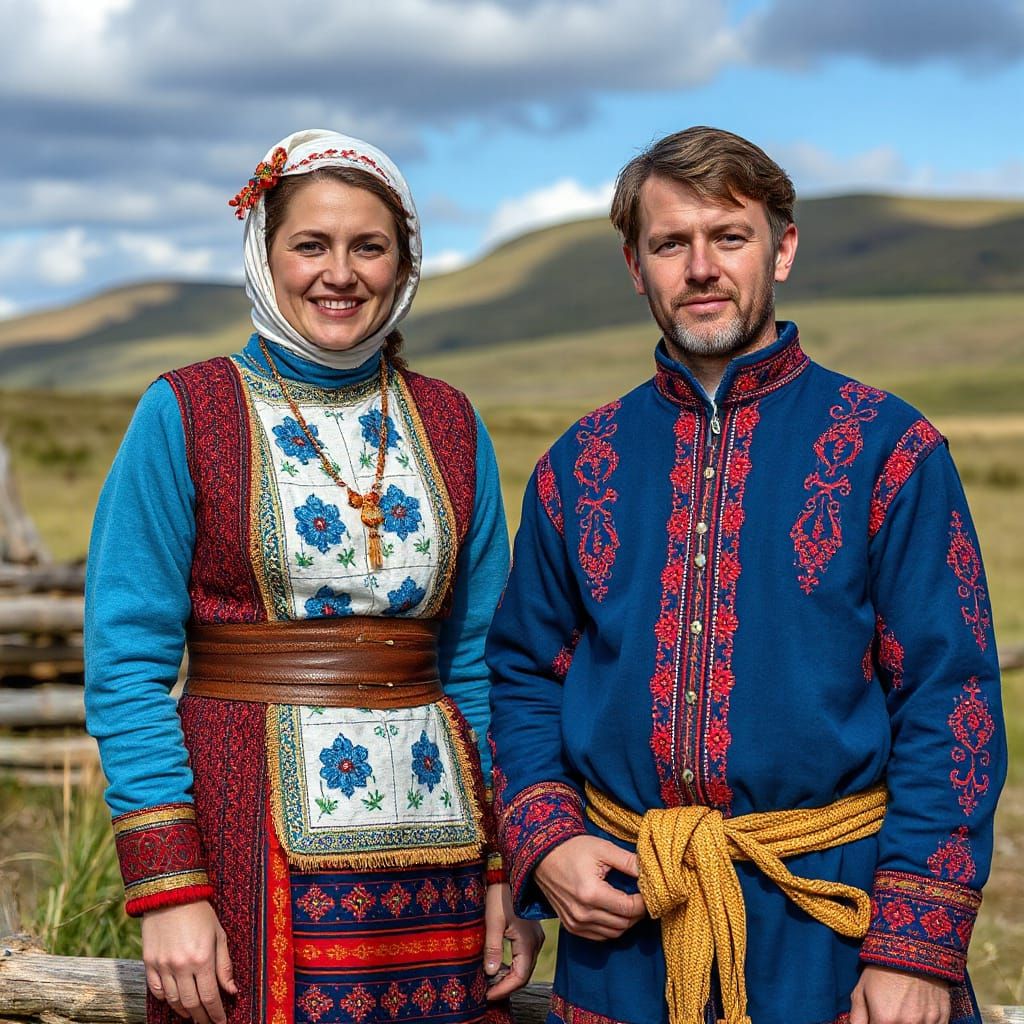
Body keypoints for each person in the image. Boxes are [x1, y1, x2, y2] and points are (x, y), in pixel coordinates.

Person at [485, 126, 1004, 1024]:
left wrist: (916, 946)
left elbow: (949, 698)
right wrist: (548, 841)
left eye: (729, 236)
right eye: (669, 243)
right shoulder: (581, 462)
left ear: (783, 247)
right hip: (628, 926)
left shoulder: (891, 448)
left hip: (836, 934)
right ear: (634, 265)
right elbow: (525, 670)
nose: (701, 267)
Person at [85, 128, 542, 1024]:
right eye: (311, 245)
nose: (341, 273)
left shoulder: (449, 422)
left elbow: (485, 657)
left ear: (403, 262)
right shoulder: (185, 410)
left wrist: (504, 875)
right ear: (265, 252)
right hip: (245, 829)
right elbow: (125, 661)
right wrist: (169, 886)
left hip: (437, 839)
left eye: (368, 246)